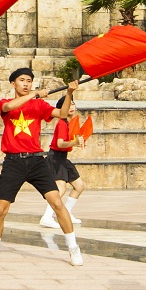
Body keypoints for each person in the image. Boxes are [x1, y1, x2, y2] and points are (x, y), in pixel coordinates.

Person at [0, 67, 80, 267]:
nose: (26, 84)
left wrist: (68, 93)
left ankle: (73, 248)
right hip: (13, 162)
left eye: (29, 81)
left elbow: (61, 113)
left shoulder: (39, 105)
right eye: (22, 80)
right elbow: (9, 107)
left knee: (57, 203)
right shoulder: (5, 103)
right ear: (13, 84)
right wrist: (34, 95)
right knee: (0, 209)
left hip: (36, 161)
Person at [40, 98, 86, 229]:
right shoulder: (62, 123)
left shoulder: (72, 123)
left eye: (73, 104)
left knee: (79, 186)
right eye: (68, 105)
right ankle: (47, 216)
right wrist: (74, 143)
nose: (71, 106)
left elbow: (68, 143)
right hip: (55, 157)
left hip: (63, 158)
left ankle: (68, 212)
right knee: (60, 188)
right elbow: (60, 144)